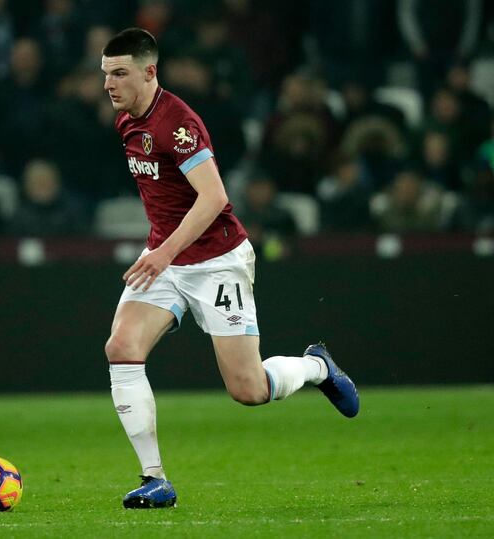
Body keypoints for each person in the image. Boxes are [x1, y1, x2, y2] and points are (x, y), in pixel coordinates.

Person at [100, 28, 359, 510]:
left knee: (249, 390)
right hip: (167, 258)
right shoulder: (126, 121)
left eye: (120, 73)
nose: (109, 84)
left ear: (149, 72)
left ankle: (316, 366)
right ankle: (154, 478)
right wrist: (160, 253)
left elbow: (214, 197)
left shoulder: (178, 125)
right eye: (106, 74)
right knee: (121, 346)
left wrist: (162, 253)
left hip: (216, 261)